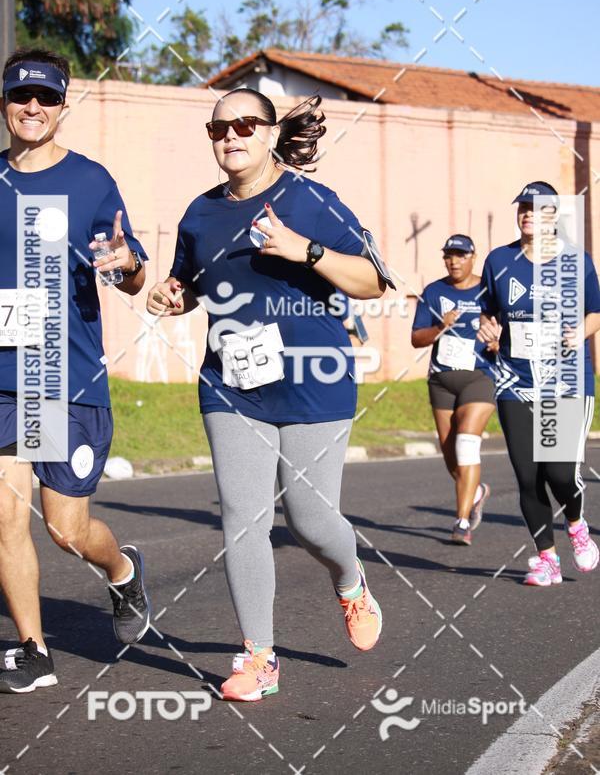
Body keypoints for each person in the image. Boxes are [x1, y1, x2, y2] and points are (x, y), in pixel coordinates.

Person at [147, 89, 394, 701]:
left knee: (310, 520)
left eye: (245, 125)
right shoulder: (200, 214)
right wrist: (173, 295)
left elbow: (373, 281)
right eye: (218, 127)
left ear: (270, 131)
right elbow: (192, 284)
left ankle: (351, 579)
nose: (231, 136)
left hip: (315, 380)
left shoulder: (310, 202)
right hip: (232, 385)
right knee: (244, 518)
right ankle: (259, 658)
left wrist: (304, 250)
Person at [0, 49, 151, 693]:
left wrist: (125, 264)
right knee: (6, 520)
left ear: (63, 106)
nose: (32, 107)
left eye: (47, 97)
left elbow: (134, 270)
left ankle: (121, 570)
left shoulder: (91, 181)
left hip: (68, 381)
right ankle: (34, 651)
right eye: (20, 95)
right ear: (4, 102)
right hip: (7, 381)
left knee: (65, 530)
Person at [478, 181, 600, 586]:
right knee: (528, 476)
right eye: (523, 207)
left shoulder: (576, 262)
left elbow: (595, 312)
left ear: (553, 216)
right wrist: (487, 331)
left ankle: (577, 524)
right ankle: (546, 558)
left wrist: (578, 333)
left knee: (561, 474)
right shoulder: (499, 260)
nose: (528, 213)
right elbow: (488, 312)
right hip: (515, 379)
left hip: (564, 379)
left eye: (537, 207)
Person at [411, 235, 497, 545]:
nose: (454, 261)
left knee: (466, 445)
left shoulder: (489, 292)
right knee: (450, 455)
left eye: (461, 255)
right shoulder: (434, 292)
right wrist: (441, 327)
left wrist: (499, 343)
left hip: (480, 377)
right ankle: (476, 492)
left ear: (474, 257)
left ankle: (462, 522)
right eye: (449, 256)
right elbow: (417, 339)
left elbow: (509, 330)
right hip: (442, 381)